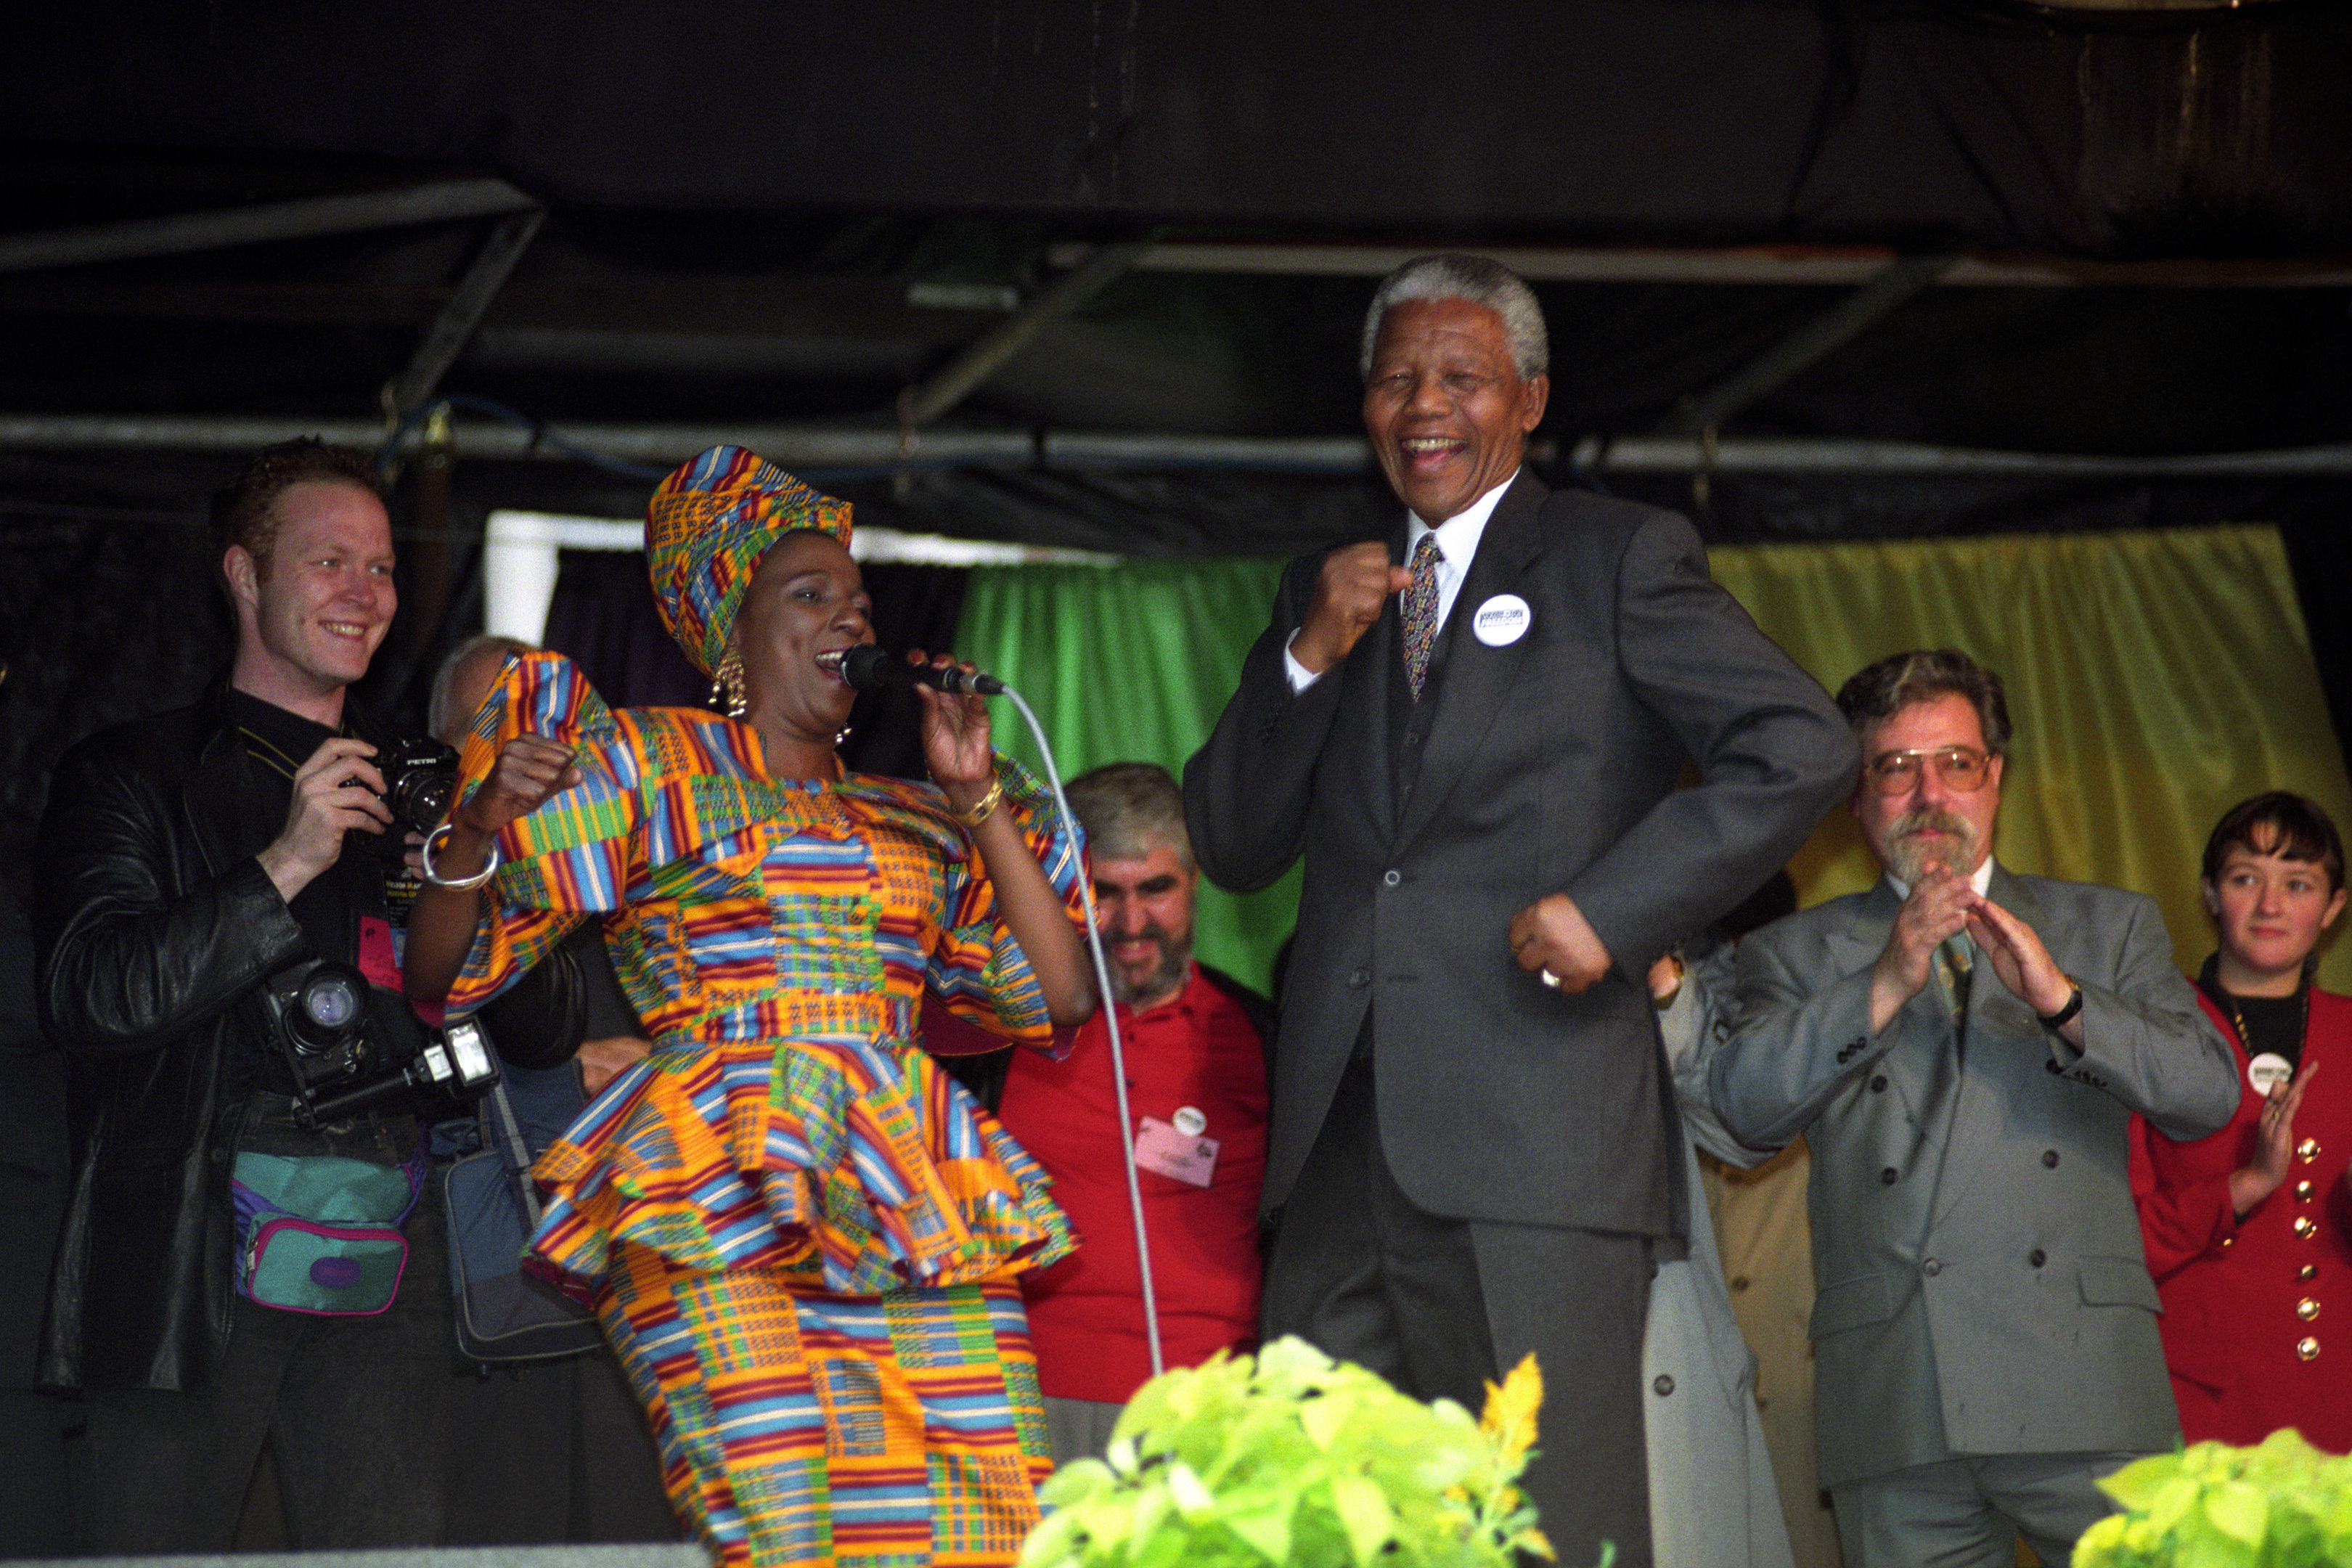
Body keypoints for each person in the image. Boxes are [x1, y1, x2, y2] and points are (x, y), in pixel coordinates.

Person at [1183, 253, 1858, 1568]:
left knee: (1544, 1529)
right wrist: (1305, 657)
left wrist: (1615, 910)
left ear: (1530, 400)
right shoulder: (1333, 590)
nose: (1423, 405)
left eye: (1460, 377)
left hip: (1537, 1143)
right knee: (1308, 1520)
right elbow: (1230, 839)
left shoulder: (1615, 557)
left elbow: (1801, 744)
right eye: (1395, 380)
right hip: (1341, 1152)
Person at [401, 444, 1097, 1568]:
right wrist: (476, 828)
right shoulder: (645, 767)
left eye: (858, 600)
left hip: (900, 1172)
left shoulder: (916, 816)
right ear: (731, 627)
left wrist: (977, 801)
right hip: (710, 1175)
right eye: (808, 595)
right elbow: (444, 973)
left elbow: (1059, 995)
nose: (846, 617)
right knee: (786, 1530)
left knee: (984, 1524)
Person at [1707, 648, 2241, 1568]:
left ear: (1995, 779)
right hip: (1899, 1399)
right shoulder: (1795, 953)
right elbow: (1743, 1115)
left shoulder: (2104, 928)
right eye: (1895, 768)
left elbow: (2208, 1097)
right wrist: (1878, 986)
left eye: (1955, 763)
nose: (1929, 795)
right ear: (1857, 794)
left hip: (2088, 1386)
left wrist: (2066, 1003)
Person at [33, 438, 465, 1550]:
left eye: (379, 567)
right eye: (329, 562)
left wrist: (477, 878)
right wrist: (288, 859)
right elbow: (90, 995)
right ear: (243, 576)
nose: (363, 592)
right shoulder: (129, 771)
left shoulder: (420, 789)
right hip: (194, 1241)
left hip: (394, 1232)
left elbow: (516, 1017)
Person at [425, 632, 679, 1545]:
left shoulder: (654, 877)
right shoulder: (428, 881)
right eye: (502, 729)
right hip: (493, 1308)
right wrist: (566, 1078)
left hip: (646, 1300)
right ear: (451, 759)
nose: (542, 752)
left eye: (562, 726)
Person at [995, 761, 1271, 1466]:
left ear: (1195, 883)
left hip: (1215, 1414)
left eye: (1156, 889)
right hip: (1027, 1402)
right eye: (1104, 893)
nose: (1131, 922)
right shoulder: (995, 1039)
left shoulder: (1266, 1038)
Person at [2130, 791, 2352, 1453]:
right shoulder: (2150, 1036)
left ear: (2334, 907)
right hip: (2201, 1407)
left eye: (2299, 883)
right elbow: (2115, 1243)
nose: (2271, 905)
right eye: (2245, 877)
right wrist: (2243, 1188)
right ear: (2208, 893)